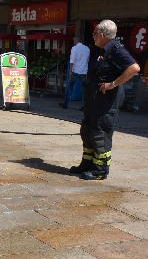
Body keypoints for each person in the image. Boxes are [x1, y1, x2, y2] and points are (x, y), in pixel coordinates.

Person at [71, 20, 140, 180]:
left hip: (106, 101)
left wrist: (113, 84)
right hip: (93, 99)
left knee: (99, 133)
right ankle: (87, 164)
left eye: (95, 33)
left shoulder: (116, 49)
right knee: (88, 130)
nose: (93, 35)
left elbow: (134, 68)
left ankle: (100, 169)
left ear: (102, 34)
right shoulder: (100, 49)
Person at [60, 39, 91, 109]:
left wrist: (70, 71)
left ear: (76, 41)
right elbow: (88, 60)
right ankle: (85, 106)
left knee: (69, 88)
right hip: (84, 72)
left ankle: (65, 104)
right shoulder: (87, 48)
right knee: (85, 89)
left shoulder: (74, 48)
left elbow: (72, 61)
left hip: (75, 71)